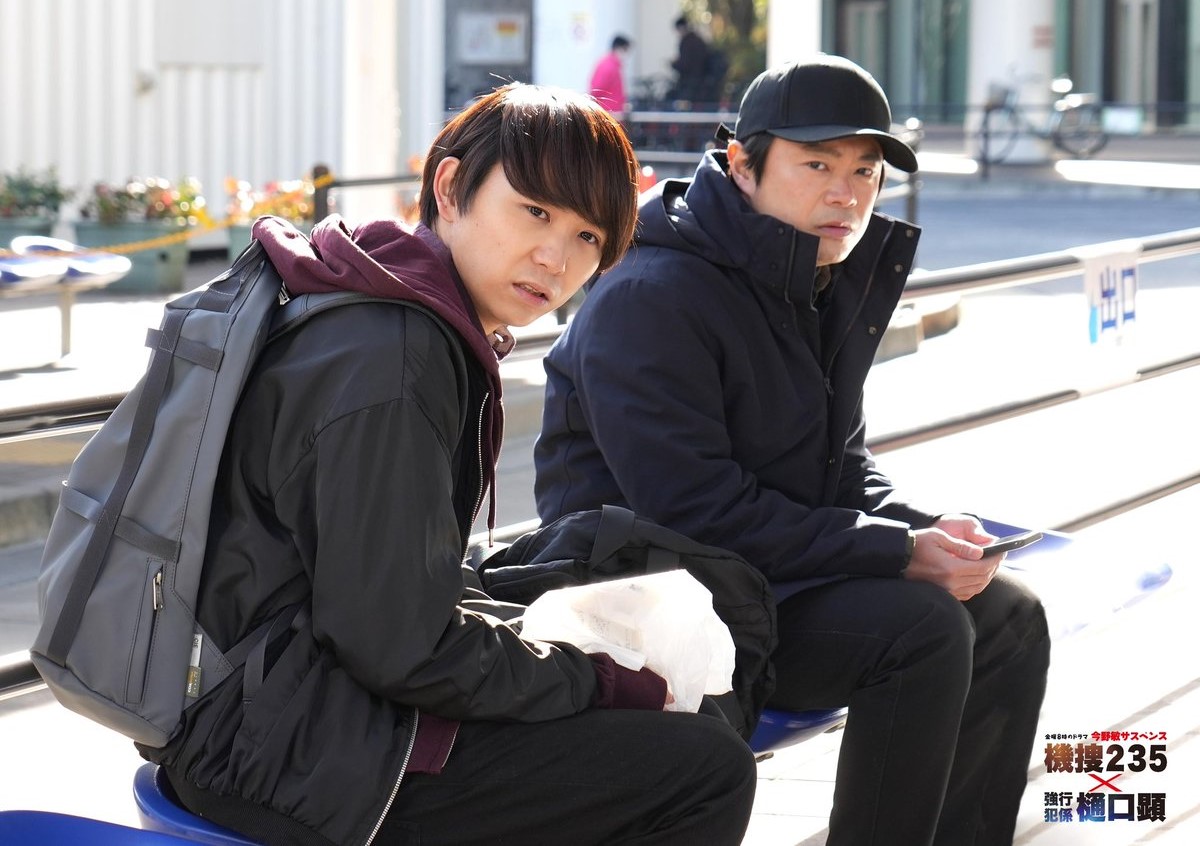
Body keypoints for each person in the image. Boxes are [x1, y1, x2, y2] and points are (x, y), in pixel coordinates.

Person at [138, 83, 757, 846]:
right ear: (451, 187)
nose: (555, 257)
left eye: (588, 236)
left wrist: (565, 655)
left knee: (652, 717)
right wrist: (595, 676)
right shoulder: (394, 357)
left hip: (270, 705)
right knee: (704, 768)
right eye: (535, 211)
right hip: (283, 748)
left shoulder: (380, 304)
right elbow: (401, 647)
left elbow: (391, 605)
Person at [534, 55, 1051, 846]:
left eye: (865, 171)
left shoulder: (809, 273)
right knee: (919, 630)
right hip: (645, 599)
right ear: (742, 164)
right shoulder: (650, 294)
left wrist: (927, 531)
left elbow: (841, 469)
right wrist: (897, 552)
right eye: (817, 164)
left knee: (1008, 612)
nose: (846, 193)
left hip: (762, 580)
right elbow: (694, 512)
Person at [589, 34, 632, 115]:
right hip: (607, 115)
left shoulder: (613, 65)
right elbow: (596, 91)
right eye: (626, 50)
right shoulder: (608, 66)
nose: (627, 55)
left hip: (611, 114)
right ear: (619, 48)